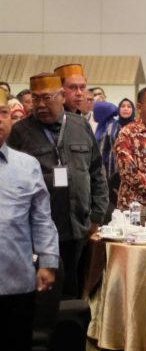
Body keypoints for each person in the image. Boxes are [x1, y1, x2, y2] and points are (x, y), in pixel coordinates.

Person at [8, 73, 107, 298]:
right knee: (42, 295)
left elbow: (97, 173)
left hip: (78, 226)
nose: (40, 105)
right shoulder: (20, 132)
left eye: (47, 98)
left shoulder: (80, 126)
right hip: (38, 231)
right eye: (35, 99)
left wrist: (97, 216)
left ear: (62, 96)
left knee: (74, 291)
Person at [0, 89, 60, 351]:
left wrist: (48, 261)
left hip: (15, 279)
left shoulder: (26, 165)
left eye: (1, 113)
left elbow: (41, 217)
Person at [99, 98, 135, 217]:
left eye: (129, 106)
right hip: (112, 167)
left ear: (133, 110)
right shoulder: (111, 126)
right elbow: (103, 148)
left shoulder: (137, 126)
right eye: (123, 106)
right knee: (113, 197)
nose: (125, 109)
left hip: (133, 169)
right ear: (118, 109)